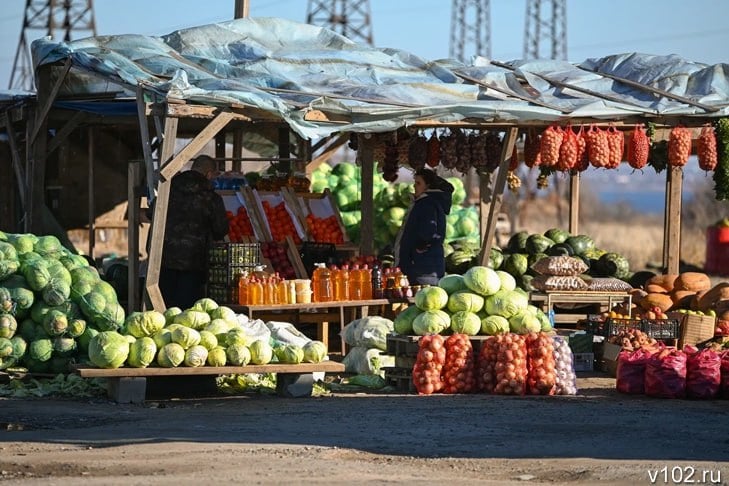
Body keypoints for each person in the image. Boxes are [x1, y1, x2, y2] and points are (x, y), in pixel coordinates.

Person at [157, 155, 229, 309]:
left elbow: (153, 214)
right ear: (209, 174)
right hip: (193, 262)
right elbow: (220, 230)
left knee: (164, 307)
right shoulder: (211, 197)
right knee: (187, 311)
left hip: (164, 257)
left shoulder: (168, 190)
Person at [395, 169, 454, 286]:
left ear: (428, 186)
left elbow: (428, 232)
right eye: (415, 182)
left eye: (418, 183)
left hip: (422, 268)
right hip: (424, 266)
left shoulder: (427, 204)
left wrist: (418, 248)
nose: (414, 186)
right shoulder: (427, 203)